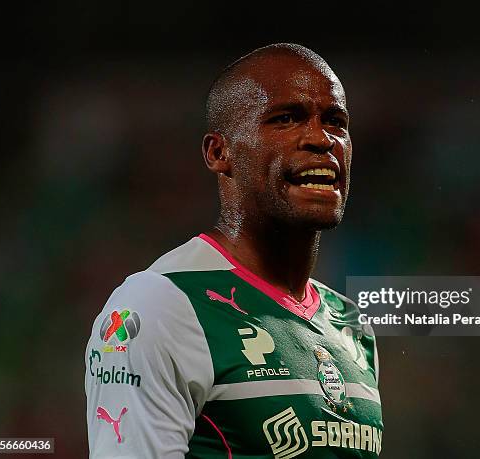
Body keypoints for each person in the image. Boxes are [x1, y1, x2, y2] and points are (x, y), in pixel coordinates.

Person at [85, 43, 383, 458]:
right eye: (286, 118)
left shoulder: (350, 324)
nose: (321, 139)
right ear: (218, 152)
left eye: (335, 121)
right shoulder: (159, 306)